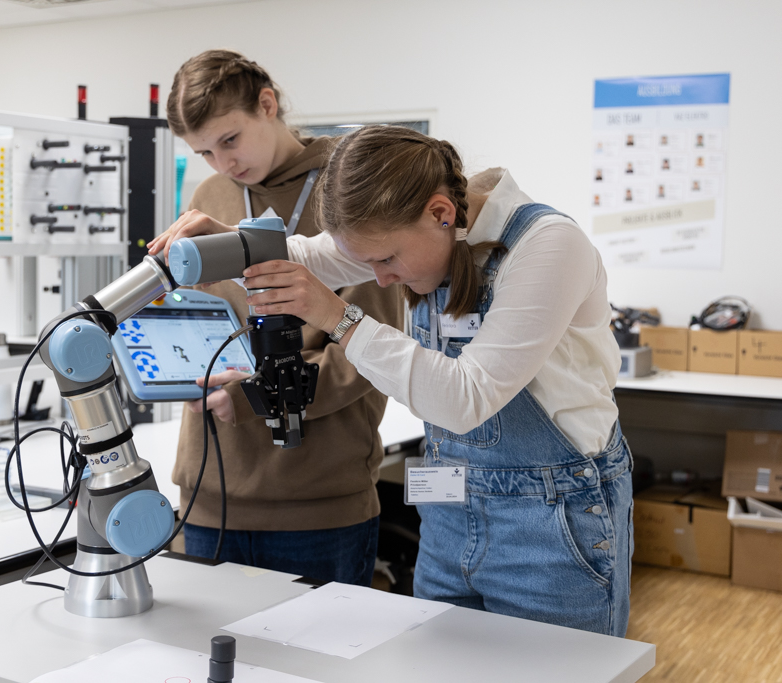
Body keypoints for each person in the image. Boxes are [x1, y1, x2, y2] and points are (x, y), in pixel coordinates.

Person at [151, 126, 634, 638]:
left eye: (386, 260)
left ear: (441, 213)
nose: (380, 279)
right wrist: (229, 243)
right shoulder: (428, 233)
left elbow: (465, 399)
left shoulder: (549, 246)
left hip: (551, 522)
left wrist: (337, 315)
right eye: (367, 261)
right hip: (449, 514)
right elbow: (305, 255)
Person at [161, 50, 402, 585]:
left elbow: (372, 351)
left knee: (316, 667)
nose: (223, 163)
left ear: (267, 105)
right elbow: (207, 320)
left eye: (229, 140)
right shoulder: (212, 193)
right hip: (209, 492)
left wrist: (256, 396)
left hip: (316, 502)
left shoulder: (353, 184)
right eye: (203, 152)